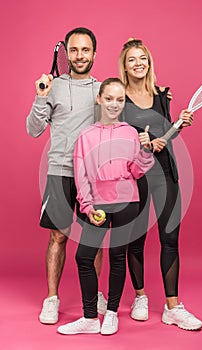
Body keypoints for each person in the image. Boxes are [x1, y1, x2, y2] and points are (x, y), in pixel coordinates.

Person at [57, 78, 155, 335]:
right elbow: (81, 175)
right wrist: (88, 208)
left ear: (124, 103)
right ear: (99, 99)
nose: (114, 104)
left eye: (120, 99)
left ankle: (111, 313)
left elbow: (135, 171)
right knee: (84, 257)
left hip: (127, 202)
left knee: (117, 257)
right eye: (109, 98)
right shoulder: (86, 136)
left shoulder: (131, 132)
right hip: (97, 205)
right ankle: (90, 317)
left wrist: (145, 152)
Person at [118, 39, 202, 331]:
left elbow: (166, 137)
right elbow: (111, 135)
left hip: (165, 172)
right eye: (132, 59)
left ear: (149, 62)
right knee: (135, 240)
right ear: (125, 66)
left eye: (142, 58)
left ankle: (173, 307)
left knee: (170, 238)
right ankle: (140, 296)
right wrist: (137, 140)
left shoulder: (162, 94)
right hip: (133, 177)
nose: (138, 63)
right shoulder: (119, 97)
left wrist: (179, 124)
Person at [26, 27, 107, 325]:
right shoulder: (53, 86)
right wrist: (39, 97)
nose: (80, 55)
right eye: (74, 50)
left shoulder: (103, 89)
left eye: (86, 50)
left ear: (95, 54)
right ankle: (52, 299)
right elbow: (33, 130)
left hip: (94, 176)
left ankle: (94, 294)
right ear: (67, 54)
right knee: (58, 236)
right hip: (59, 171)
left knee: (93, 239)